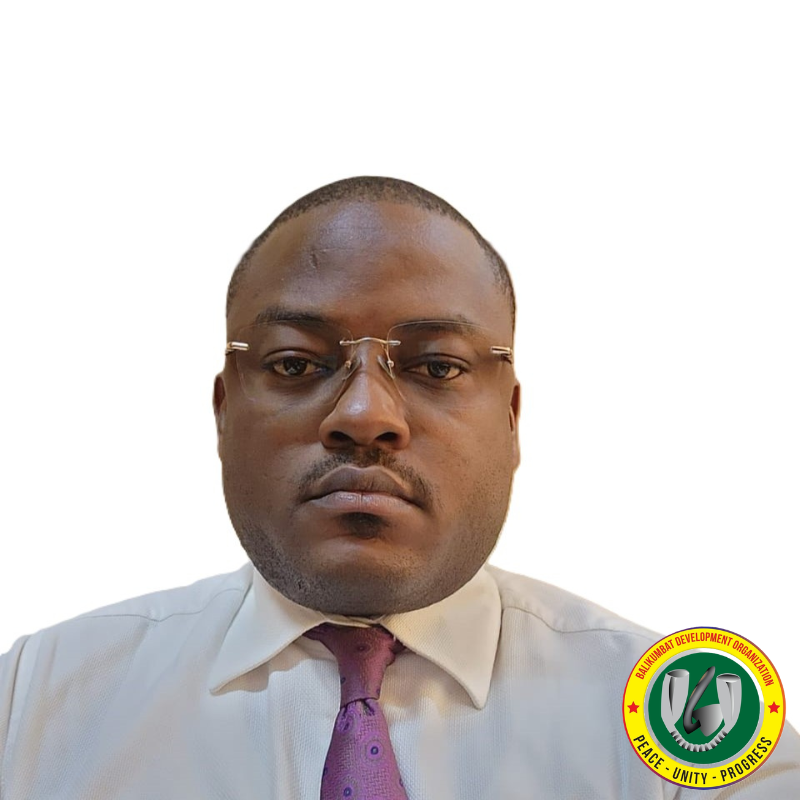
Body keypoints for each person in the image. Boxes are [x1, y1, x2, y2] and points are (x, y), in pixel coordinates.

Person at [0, 177, 797, 799]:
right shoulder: (31, 703)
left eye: (436, 367)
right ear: (222, 411)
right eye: (295, 364)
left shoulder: (689, 727)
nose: (364, 416)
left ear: (512, 418)